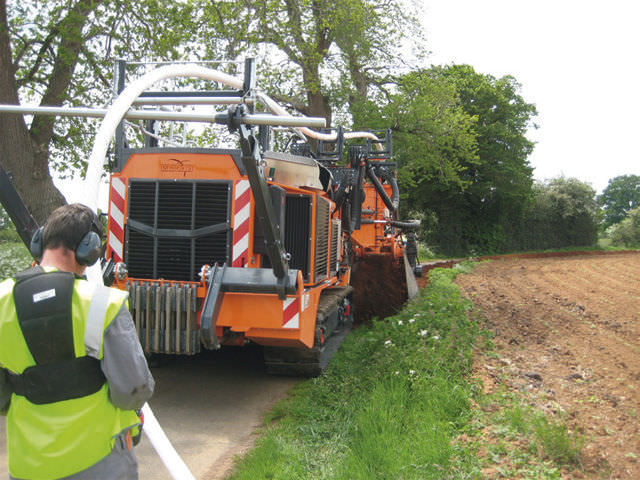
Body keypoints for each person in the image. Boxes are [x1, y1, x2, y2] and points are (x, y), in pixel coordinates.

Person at [0, 203, 154, 480]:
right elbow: (133, 388)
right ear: (90, 249)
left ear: (40, 242)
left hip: (28, 465)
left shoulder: (2, 302)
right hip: (100, 462)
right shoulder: (102, 304)